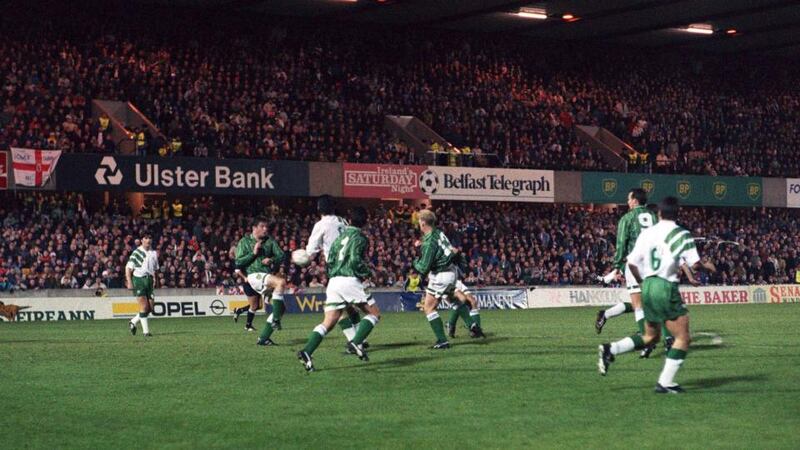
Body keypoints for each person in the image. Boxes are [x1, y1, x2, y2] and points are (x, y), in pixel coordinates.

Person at [597, 197, 716, 393]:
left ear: (659, 213)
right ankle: (665, 382)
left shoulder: (647, 233)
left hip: (648, 284)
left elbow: (632, 262)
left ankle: (611, 349)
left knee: (650, 336)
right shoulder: (681, 234)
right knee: (683, 338)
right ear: (677, 213)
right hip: (665, 286)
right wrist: (707, 267)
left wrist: (643, 283)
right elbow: (695, 264)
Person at [297, 207, 380, 372]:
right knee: (374, 313)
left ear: (350, 220)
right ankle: (356, 342)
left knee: (329, 322)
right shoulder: (361, 238)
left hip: (334, 281)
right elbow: (356, 260)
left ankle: (307, 351)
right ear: (365, 222)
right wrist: (368, 273)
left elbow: (331, 260)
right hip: (349, 279)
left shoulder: (339, 238)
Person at [596, 188, 663, 356]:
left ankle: (646, 338)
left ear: (635, 200)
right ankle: (651, 337)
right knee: (648, 303)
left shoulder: (627, 218)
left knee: (638, 305)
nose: (627, 202)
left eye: (628, 198)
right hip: (653, 265)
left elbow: (621, 243)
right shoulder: (654, 217)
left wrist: (617, 265)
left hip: (635, 264)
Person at [304, 195, 366, 351]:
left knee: (337, 309)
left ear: (318, 208)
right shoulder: (343, 221)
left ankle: (354, 341)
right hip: (350, 264)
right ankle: (359, 338)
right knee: (350, 307)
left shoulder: (321, 225)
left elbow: (310, 252)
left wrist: (300, 257)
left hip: (336, 268)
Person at [413, 209, 476, 349]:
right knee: (452, 300)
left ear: (423, 223)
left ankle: (442, 340)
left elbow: (423, 267)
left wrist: (415, 261)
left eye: (419, 222)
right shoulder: (438, 232)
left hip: (441, 275)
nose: (418, 224)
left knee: (429, 307)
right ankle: (472, 323)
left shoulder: (430, 241)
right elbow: (449, 250)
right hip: (451, 272)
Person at [234, 216, 287, 346]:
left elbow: (282, 255)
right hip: (253, 275)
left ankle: (263, 338)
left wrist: (272, 260)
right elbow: (238, 262)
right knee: (281, 282)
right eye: (262, 226)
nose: (265, 229)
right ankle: (275, 320)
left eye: (266, 227)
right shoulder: (244, 242)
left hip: (266, 276)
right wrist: (253, 253)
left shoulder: (270, 241)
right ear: (254, 228)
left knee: (281, 309)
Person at [125, 233, 159, 337]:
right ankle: (146, 332)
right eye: (146, 238)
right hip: (139, 280)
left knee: (150, 309)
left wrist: (155, 279)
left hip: (149, 280)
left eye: (150, 238)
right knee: (144, 306)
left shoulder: (154, 253)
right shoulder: (137, 252)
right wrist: (129, 282)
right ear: (142, 240)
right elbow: (128, 268)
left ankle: (133, 321)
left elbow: (155, 268)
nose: (148, 240)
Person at [230, 245, 263, 332]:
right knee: (254, 306)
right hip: (248, 283)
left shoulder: (253, 258)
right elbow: (237, 270)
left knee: (259, 306)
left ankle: (239, 310)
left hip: (257, 282)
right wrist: (244, 277)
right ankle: (248, 326)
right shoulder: (242, 259)